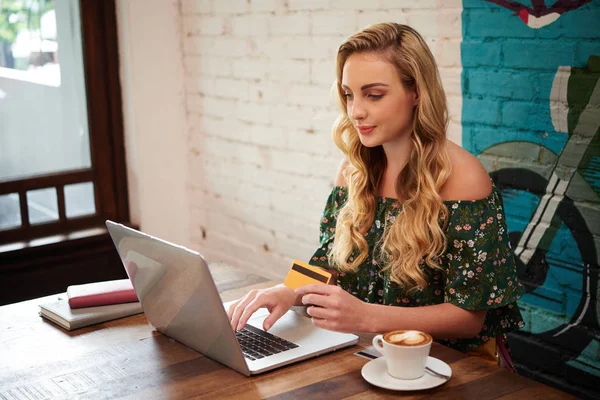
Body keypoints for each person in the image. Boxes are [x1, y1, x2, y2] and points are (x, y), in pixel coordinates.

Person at [227, 22, 525, 366]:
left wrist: (366, 316)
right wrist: (289, 291)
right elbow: (329, 261)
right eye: (349, 94)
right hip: (367, 354)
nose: (356, 111)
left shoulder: (464, 179)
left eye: (374, 94)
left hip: (445, 366)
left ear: (416, 93)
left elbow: (469, 318)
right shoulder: (354, 169)